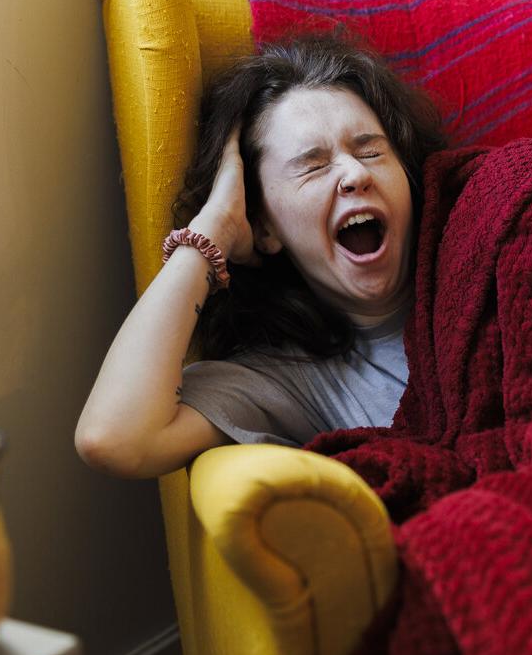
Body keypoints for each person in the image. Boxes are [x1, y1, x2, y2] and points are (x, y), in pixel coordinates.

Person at [75, 32, 446, 478]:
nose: (354, 173)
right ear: (265, 228)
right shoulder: (290, 380)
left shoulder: (486, 248)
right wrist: (214, 229)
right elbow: (115, 439)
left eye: (370, 150)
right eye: (313, 165)